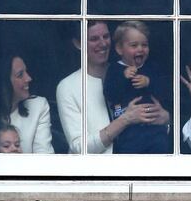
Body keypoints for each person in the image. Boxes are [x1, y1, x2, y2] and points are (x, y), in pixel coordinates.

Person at [56, 21, 170, 154]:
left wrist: (166, 119)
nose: (103, 43)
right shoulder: (68, 87)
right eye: (94, 39)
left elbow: (163, 101)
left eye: (106, 36)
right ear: (78, 43)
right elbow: (79, 147)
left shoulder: (133, 70)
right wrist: (125, 119)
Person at [103, 21, 170, 153]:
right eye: (134, 45)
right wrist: (123, 77)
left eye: (144, 45)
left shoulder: (152, 67)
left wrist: (149, 82)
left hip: (154, 128)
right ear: (119, 49)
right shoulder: (115, 69)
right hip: (129, 131)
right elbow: (110, 93)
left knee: (161, 148)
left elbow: (165, 91)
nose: (140, 49)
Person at [0, 54, 54, 154]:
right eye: (20, 75)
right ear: (4, 82)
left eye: (26, 72)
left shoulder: (38, 106)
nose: (28, 78)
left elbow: (44, 157)